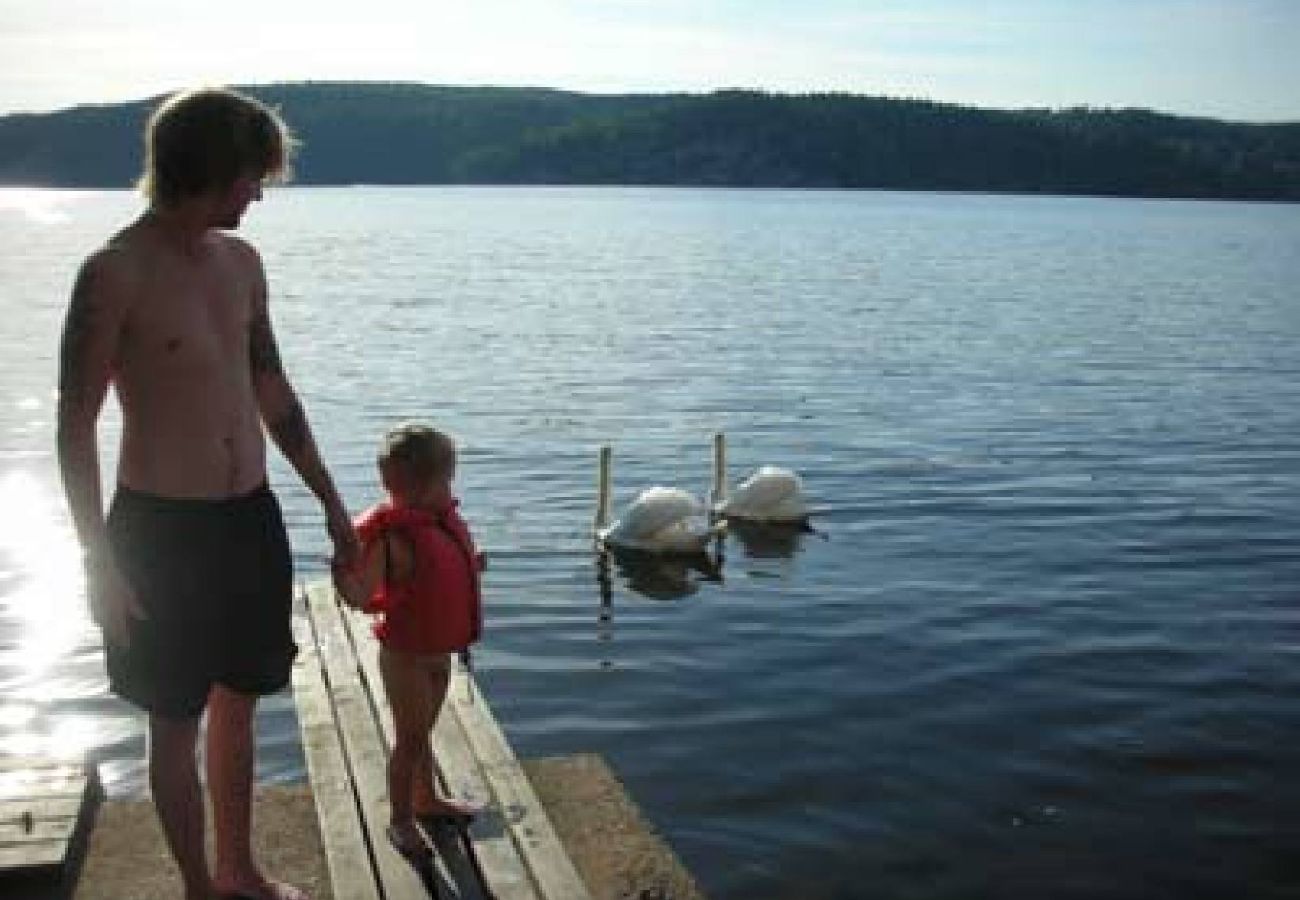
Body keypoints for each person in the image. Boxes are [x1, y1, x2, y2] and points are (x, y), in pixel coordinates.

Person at [55, 87, 356, 900]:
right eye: (252, 176)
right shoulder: (114, 271)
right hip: (160, 531)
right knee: (173, 718)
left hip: (248, 519)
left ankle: (239, 869)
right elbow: (74, 423)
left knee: (241, 705)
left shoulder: (242, 264)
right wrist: (100, 559)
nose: (259, 192)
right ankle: (198, 885)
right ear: (212, 168)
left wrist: (332, 506)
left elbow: (274, 391)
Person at [332, 423, 484, 859]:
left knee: (424, 734)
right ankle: (400, 820)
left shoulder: (439, 524)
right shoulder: (394, 538)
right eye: (445, 480)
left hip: (438, 655)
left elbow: (441, 573)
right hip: (406, 660)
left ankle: (426, 798)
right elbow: (360, 597)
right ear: (423, 486)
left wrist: (471, 564)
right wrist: (344, 569)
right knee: (410, 739)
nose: (449, 488)